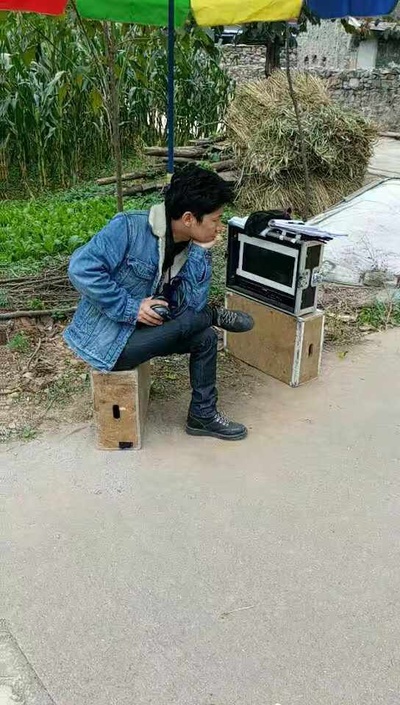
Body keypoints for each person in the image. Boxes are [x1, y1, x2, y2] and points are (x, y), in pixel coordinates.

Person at [64, 165, 254, 441]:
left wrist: (201, 253)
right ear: (189, 218)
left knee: (206, 337)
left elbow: (194, 303)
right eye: (215, 219)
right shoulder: (129, 227)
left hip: (145, 331)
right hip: (110, 342)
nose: (219, 227)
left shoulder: (190, 244)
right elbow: (81, 269)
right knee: (199, 319)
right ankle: (214, 315)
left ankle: (202, 415)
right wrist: (130, 307)